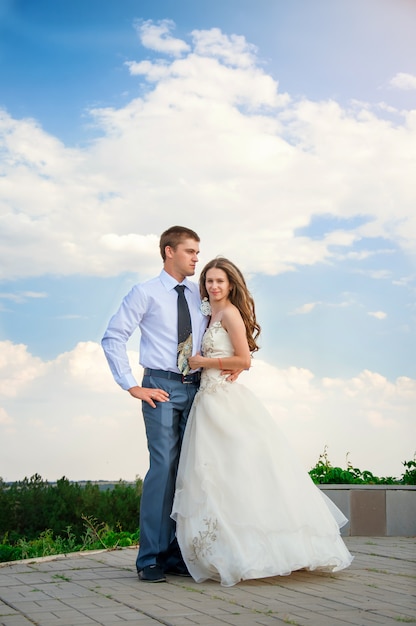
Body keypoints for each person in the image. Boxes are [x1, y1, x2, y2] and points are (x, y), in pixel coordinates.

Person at [171, 257, 353, 587]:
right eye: (209, 281)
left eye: (219, 282)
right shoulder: (206, 313)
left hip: (225, 402)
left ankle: (262, 550)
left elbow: (245, 359)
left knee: (240, 472)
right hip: (205, 402)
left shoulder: (229, 313)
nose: (213, 286)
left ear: (230, 286)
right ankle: (223, 550)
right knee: (213, 477)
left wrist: (203, 361)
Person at [101, 226, 208, 583]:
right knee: (163, 468)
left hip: (197, 388)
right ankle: (149, 558)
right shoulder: (144, 293)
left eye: (197, 251)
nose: (196, 258)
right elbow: (114, 336)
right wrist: (131, 385)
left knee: (188, 471)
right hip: (159, 386)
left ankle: (176, 555)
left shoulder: (199, 296)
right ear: (168, 252)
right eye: (190, 251)